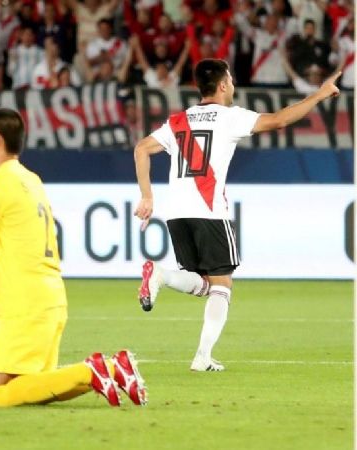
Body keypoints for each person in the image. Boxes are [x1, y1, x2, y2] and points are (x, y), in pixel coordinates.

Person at [133, 59, 341, 371]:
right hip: (209, 210)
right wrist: (319, 95)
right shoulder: (229, 117)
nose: (232, 85)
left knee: (204, 283)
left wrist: (148, 195)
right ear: (222, 86)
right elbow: (280, 120)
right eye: (230, 80)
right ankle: (201, 355)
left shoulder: (178, 121)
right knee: (222, 285)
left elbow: (141, 148)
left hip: (176, 212)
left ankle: (163, 278)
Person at [0, 108, 146, 407]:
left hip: (24, 304)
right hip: (51, 299)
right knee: (34, 387)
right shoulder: (32, 179)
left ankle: (101, 369)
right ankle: (108, 371)